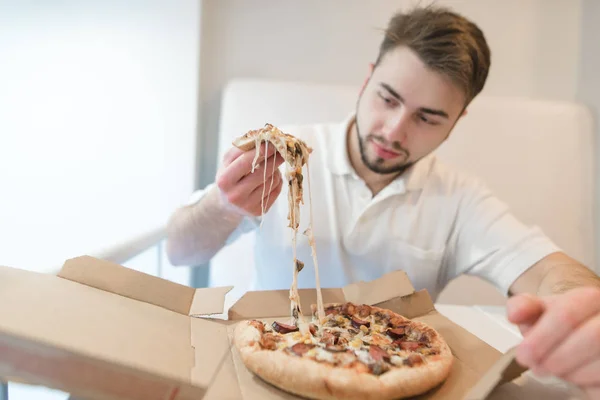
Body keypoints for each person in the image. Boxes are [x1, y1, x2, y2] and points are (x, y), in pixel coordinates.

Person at [166, 5, 600, 397]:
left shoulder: (461, 199)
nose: (394, 130)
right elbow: (181, 250)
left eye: (427, 117)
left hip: (393, 371)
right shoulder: (286, 155)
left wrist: (582, 308)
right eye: (387, 98)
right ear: (367, 77)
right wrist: (224, 205)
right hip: (263, 375)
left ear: (457, 120)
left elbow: (549, 271)